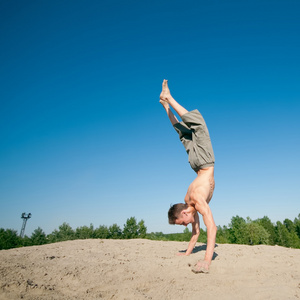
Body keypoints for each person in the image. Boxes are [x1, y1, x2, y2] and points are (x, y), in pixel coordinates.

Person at [159, 79, 217, 273]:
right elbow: (196, 233)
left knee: (197, 124)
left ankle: (169, 99)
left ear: (184, 213)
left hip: (203, 163)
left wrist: (206, 261)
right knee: (184, 134)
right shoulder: (189, 203)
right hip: (196, 165)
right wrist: (186, 253)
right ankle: (166, 106)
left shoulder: (195, 200)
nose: (185, 226)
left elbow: (212, 228)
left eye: (182, 223)